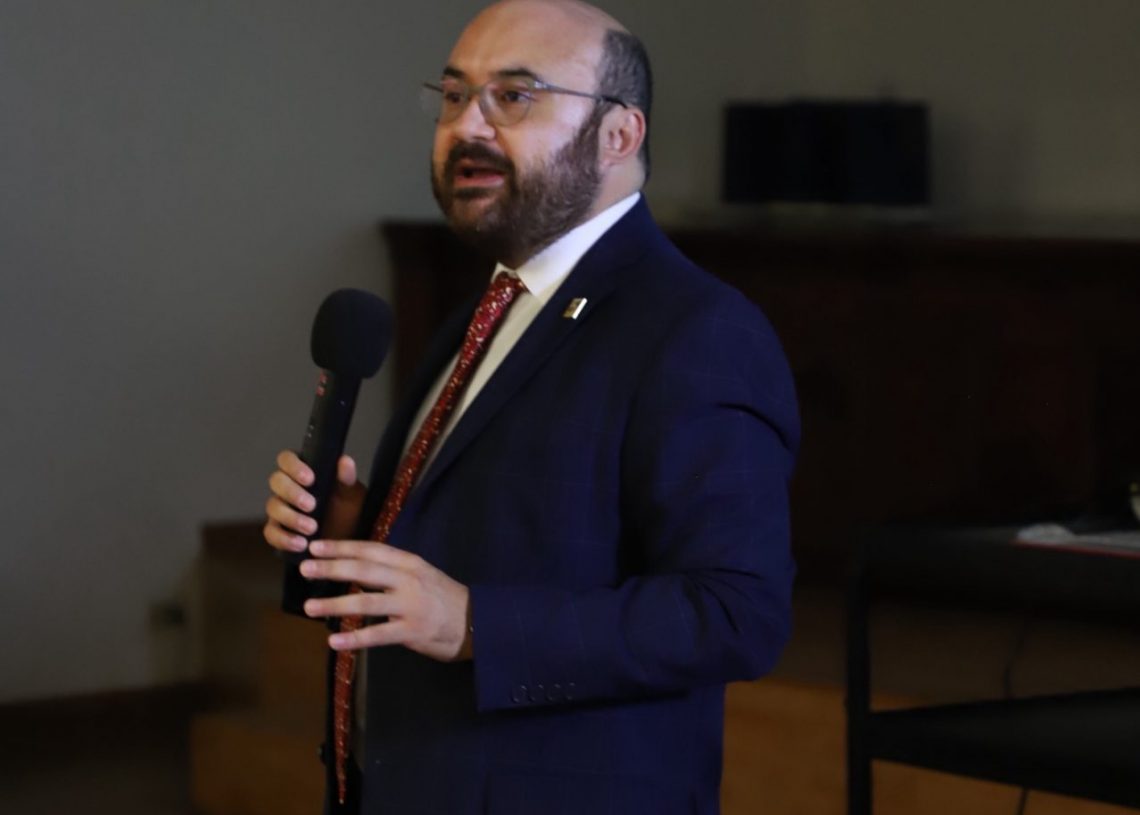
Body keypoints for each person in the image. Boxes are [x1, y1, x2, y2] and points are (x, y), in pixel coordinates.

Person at [263, 1, 799, 812]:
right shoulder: (483, 312)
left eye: (513, 97)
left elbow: (737, 613)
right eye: (453, 96)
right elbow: (507, 539)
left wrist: (476, 624)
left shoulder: (698, 329)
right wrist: (359, 534)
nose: (467, 126)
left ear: (619, 134)